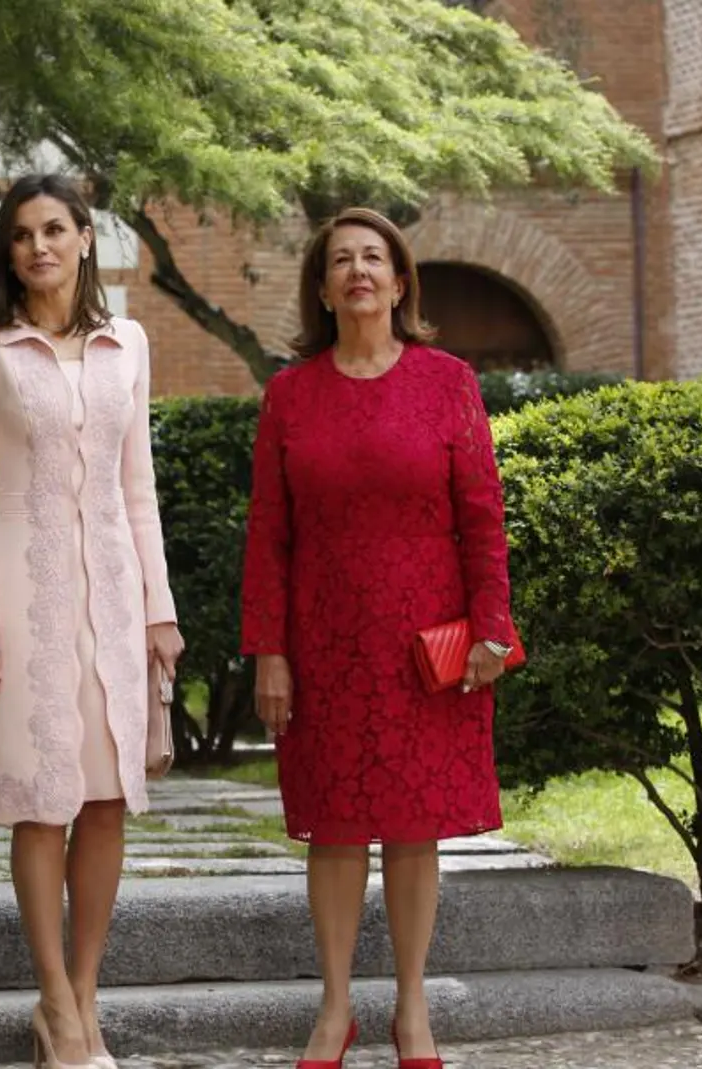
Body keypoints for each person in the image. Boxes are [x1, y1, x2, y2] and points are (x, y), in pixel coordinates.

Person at [239, 207, 515, 1069]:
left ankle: (411, 1006)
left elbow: (483, 514)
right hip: (323, 642)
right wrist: (270, 650)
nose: (358, 271)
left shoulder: (448, 382)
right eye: (341, 261)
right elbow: (268, 534)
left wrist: (493, 626)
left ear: (400, 283)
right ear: (323, 290)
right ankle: (334, 1009)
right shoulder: (290, 394)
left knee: (411, 825)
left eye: (373, 258)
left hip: (423, 640)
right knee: (333, 825)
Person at [0, 174, 184, 1069]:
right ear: (8, 254)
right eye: (21, 235)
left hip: (115, 594)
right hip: (22, 594)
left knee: (107, 796)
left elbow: (139, 488)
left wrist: (160, 610)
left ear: (85, 237)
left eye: (54, 229)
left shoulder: (129, 342)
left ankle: (83, 999)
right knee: (44, 802)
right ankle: (52, 996)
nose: (38, 246)